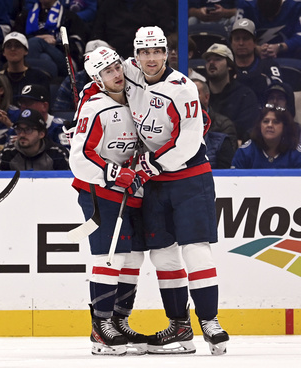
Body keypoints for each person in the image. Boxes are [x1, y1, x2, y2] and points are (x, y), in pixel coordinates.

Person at [76, 26, 229, 355]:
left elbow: (189, 139)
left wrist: (153, 165)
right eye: (143, 52)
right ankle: (180, 327)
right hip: (151, 183)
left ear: (166, 52)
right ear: (136, 54)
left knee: (195, 248)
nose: (150, 58)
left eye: (156, 51)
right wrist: (83, 104)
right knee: (162, 254)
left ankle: (210, 321)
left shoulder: (183, 87)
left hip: (188, 174)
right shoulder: (126, 70)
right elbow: (97, 83)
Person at [69, 47, 148, 356]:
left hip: (132, 193)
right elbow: (79, 158)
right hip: (98, 191)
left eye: (117, 67)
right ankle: (100, 327)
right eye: (107, 72)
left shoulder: (137, 100)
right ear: (97, 79)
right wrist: (114, 173)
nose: (116, 74)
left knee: (133, 258)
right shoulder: (94, 108)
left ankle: (119, 320)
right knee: (109, 256)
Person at [13, 0, 87, 78]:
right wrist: (40, 39)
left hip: (64, 59)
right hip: (42, 60)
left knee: (35, 43)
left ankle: (25, 80)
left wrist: (56, 42)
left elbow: (77, 47)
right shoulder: (25, 16)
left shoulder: (69, 16)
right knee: (44, 57)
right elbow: (14, 39)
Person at [203, 42, 259, 144]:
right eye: (208, 60)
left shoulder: (245, 95)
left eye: (218, 59)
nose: (211, 63)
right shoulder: (198, 93)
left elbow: (246, 129)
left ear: (229, 66)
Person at [91, 0, 177, 59]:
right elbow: (98, 31)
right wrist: (106, 47)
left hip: (147, 50)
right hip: (114, 52)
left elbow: (166, 31)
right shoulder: (108, 4)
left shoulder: (157, 4)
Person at [0, 108, 69, 170]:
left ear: (41, 134)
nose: (22, 134)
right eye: (19, 129)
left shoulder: (57, 154)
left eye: (28, 130)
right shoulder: (8, 153)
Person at [230, 18, 282, 101]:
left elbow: (278, 92)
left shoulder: (269, 66)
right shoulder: (227, 68)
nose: (241, 43)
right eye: (237, 39)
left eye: (246, 38)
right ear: (231, 43)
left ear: (255, 43)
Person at [231, 106, 301, 168]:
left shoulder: (296, 153)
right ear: (259, 125)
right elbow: (234, 181)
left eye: (276, 122)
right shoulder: (244, 152)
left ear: (285, 127)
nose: (269, 125)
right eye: (266, 121)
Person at [0, 32, 51, 105]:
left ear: (26, 51)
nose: (13, 49)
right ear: (3, 52)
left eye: (18, 46)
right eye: (8, 46)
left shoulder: (39, 77)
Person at [235, 0, 301, 59]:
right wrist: (256, 48)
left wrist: (280, 47)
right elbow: (235, 35)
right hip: (253, 56)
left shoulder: (296, 4)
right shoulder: (246, 4)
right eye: (264, 15)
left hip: (290, 56)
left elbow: (299, 35)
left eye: (274, 15)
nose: (270, 20)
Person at [16, 84, 70, 149]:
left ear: (44, 106)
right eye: (21, 102)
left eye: (28, 103)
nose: (23, 106)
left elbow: (67, 153)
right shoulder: (17, 127)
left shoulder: (61, 127)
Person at [193, 78, 238, 150]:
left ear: (206, 97)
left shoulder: (224, 125)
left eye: (195, 93)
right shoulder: (179, 123)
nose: (191, 97)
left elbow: (229, 158)